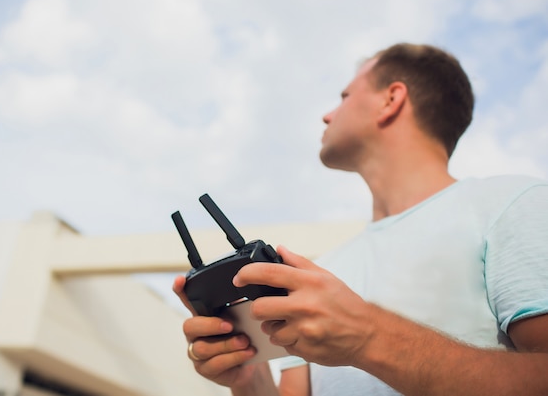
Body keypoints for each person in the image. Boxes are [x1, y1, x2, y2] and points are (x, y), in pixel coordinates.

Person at [172, 43, 548, 395]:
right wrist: (248, 378)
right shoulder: (323, 273)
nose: (327, 114)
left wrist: (369, 338)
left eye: (345, 97)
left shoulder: (515, 205)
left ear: (391, 99)